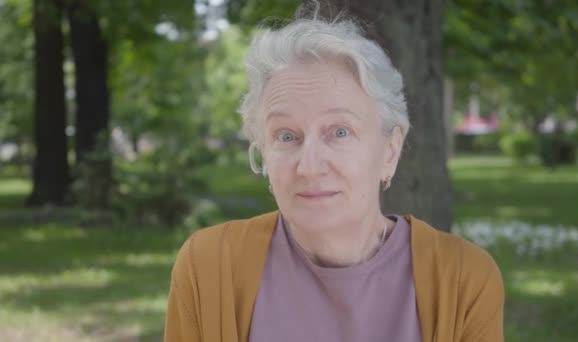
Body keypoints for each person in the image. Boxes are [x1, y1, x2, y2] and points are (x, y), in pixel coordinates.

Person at [164, 8, 504, 342]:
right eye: (286, 136)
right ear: (263, 153)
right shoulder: (208, 267)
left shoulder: (464, 278)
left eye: (340, 132)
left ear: (389, 151)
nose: (309, 166)